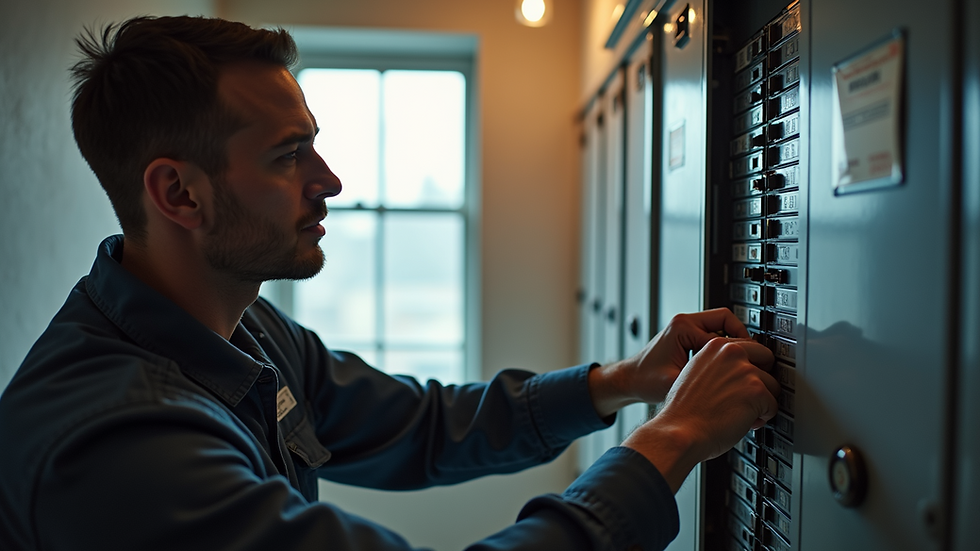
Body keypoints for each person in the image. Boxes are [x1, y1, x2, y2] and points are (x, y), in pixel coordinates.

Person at [0, 15, 780, 551]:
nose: (330, 180)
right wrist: (671, 439)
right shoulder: (119, 446)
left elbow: (425, 426)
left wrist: (624, 382)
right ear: (179, 194)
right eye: (287, 155)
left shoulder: (244, 331)